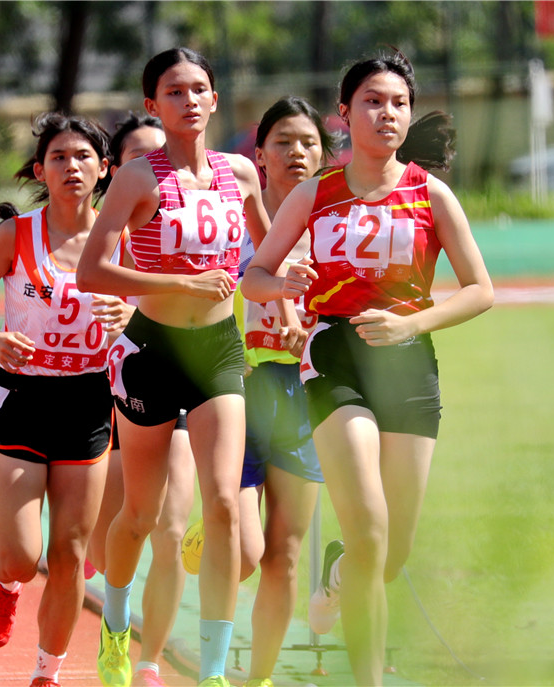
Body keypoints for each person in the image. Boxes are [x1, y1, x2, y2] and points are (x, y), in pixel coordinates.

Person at [241, 52, 494, 686]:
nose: (387, 113)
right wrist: (283, 282)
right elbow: (253, 278)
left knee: (389, 551)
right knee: (372, 530)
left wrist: (412, 323)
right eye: (373, 102)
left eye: (398, 103)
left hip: (410, 363)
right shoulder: (314, 193)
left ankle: (338, 572)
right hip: (335, 359)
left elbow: (480, 289)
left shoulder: (429, 194)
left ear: (409, 116)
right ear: (344, 116)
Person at [77, 47, 270, 687]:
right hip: (151, 350)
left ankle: (214, 670)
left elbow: (263, 261)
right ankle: (115, 625)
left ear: (215, 99)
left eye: (200, 89)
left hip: (218, 353)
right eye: (174, 91)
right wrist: (181, 285)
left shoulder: (240, 174)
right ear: (151, 105)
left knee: (221, 506)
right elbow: (92, 270)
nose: (189, 100)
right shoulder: (137, 178)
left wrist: (286, 286)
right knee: (139, 515)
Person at [0, 112, 129, 687]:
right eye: (59, 157)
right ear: (40, 170)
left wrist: (130, 312)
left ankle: (46, 675)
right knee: (23, 558)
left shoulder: (120, 237)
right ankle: (4, 586)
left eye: (83, 157)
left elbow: (154, 312)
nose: (71, 166)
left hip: (88, 406)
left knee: (72, 556)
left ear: (104, 169)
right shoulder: (16, 235)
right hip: (23, 399)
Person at [85, 111, 197, 687]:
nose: (156, 165)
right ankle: (115, 626)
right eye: (138, 157)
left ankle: (149, 659)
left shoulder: (193, 227)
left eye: (162, 153)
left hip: (181, 382)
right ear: (117, 171)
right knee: (116, 538)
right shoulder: (98, 235)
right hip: (110, 395)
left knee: (172, 529)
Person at [225, 96, 333, 687]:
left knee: (284, 554)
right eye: (283, 142)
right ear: (259, 152)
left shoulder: (334, 225)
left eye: (309, 143)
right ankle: (213, 532)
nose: (297, 152)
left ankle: (258, 677)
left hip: (304, 392)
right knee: (244, 553)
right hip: (239, 389)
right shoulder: (232, 219)